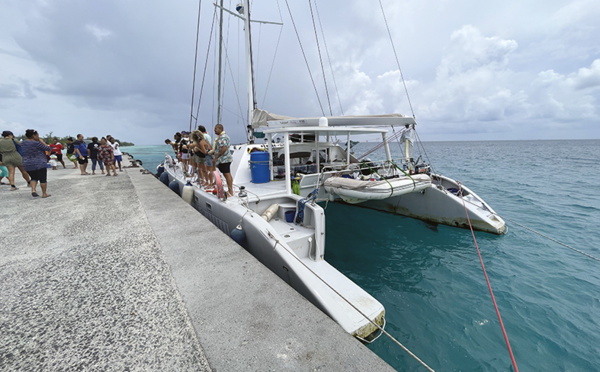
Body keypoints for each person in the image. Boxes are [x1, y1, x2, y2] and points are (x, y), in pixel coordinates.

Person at [21, 129, 51, 198]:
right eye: (37, 135)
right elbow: (48, 149)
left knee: (33, 177)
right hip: (39, 163)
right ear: (33, 135)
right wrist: (42, 142)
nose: (38, 137)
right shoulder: (37, 143)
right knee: (43, 179)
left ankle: (33, 190)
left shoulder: (22, 143)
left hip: (27, 163)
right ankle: (44, 194)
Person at [213, 124, 234, 197]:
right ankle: (230, 190)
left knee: (227, 174)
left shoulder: (223, 137)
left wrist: (216, 157)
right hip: (222, 160)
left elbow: (224, 148)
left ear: (220, 129)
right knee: (226, 174)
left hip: (224, 159)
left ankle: (230, 192)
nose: (214, 130)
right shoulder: (220, 137)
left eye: (215, 128)